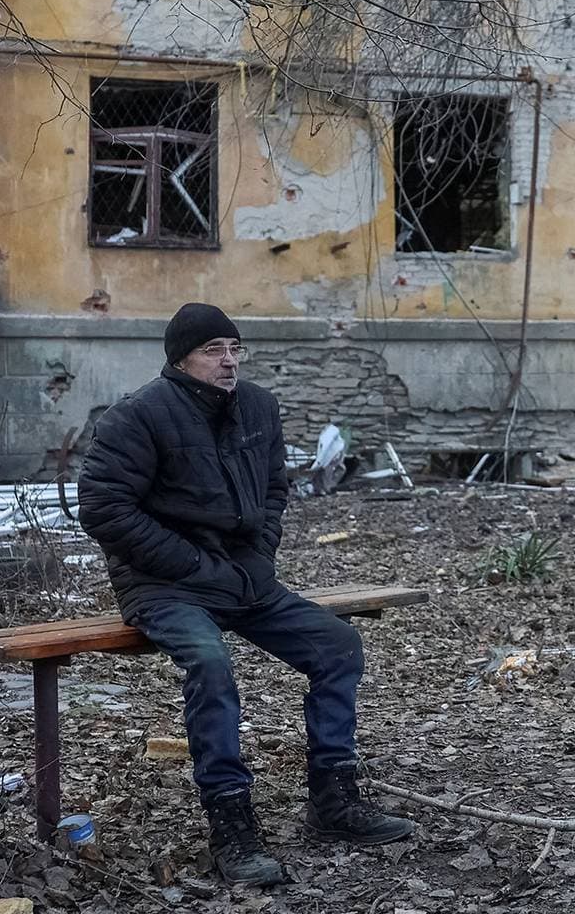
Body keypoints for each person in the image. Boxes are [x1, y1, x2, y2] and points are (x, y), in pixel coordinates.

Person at [77, 303, 416, 885]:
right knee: (211, 663)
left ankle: (334, 801)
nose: (229, 361)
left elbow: (274, 490)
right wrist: (193, 567)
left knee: (337, 644)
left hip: (243, 579)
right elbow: (104, 509)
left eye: (235, 348)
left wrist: (258, 560)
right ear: (180, 358)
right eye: (214, 350)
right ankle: (232, 828)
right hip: (163, 585)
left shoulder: (258, 406)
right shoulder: (136, 417)